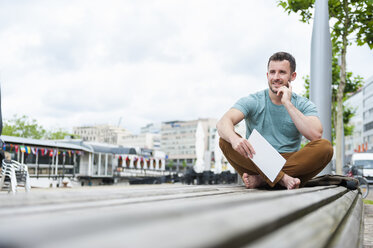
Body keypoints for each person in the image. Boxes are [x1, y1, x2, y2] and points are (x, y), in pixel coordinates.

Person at [216, 52, 333, 190]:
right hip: (257, 158)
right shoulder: (254, 100)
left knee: (325, 147)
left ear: (292, 76)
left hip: (290, 161)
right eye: (272, 72)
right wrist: (234, 139)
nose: (276, 77)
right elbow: (223, 123)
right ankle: (281, 179)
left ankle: (263, 180)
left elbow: (315, 134)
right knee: (225, 140)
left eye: (282, 72)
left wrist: (288, 104)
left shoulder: (302, 104)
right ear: (267, 75)